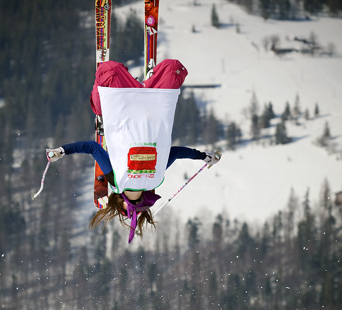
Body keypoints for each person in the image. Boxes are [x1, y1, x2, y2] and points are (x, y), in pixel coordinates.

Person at [47, 59, 220, 242]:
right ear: (119, 201)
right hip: (127, 104)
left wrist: (203, 156)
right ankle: (130, 90)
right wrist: (62, 151)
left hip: (147, 105)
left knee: (171, 69)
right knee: (109, 73)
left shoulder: (153, 179)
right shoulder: (119, 181)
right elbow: (93, 148)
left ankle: (143, 84)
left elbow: (176, 152)